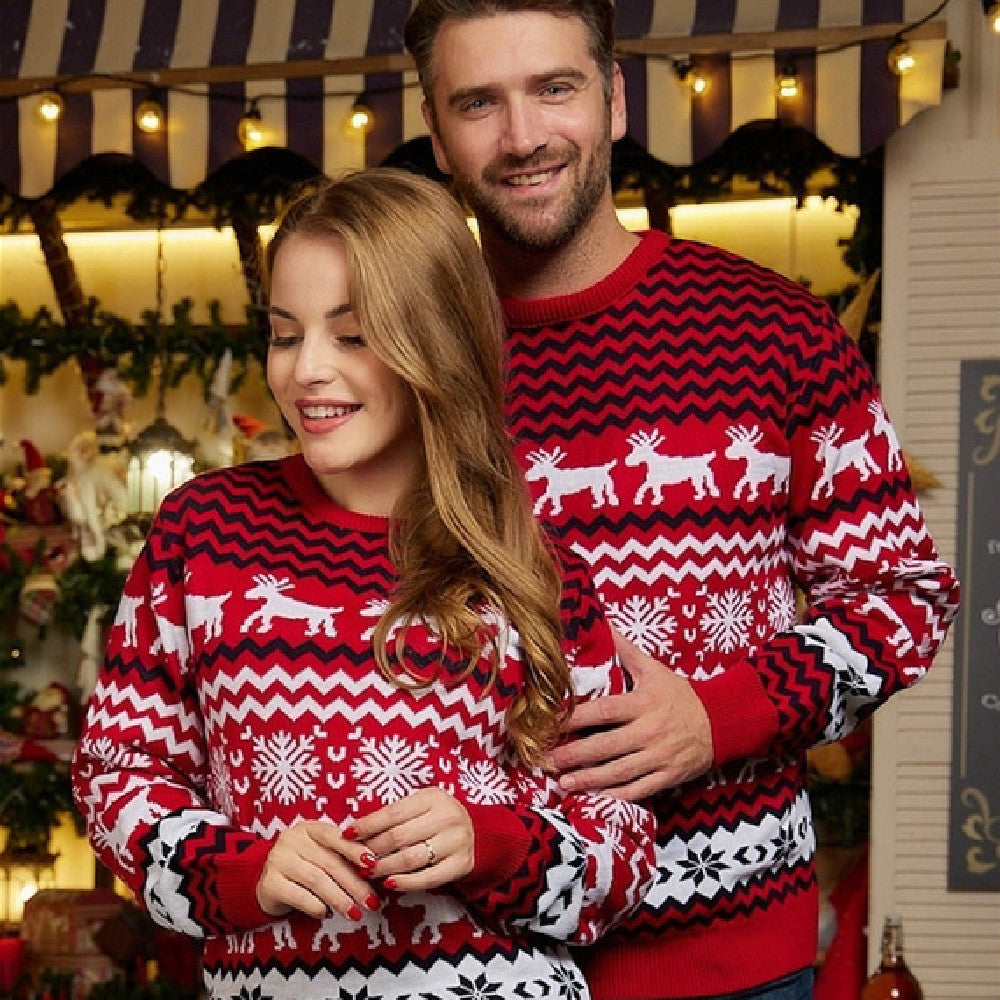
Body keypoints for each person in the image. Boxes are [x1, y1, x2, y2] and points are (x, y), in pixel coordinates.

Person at [403, 3, 962, 998]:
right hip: (464, 959)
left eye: (554, 88)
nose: (523, 135)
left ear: (615, 99)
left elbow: (904, 596)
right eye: (479, 102)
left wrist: (722, 714)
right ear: (436, 129)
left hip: (733, 960)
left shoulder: (771, 330)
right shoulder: (408, 362)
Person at [71, 168, 657, 1000]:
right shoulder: (201, 533)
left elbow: (623, 848)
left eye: (353, 335)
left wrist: (491, 844)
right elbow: (115, 775)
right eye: (285, 334)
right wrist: (245, 868)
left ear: (436, 341)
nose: (307, 369)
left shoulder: (528, 562)